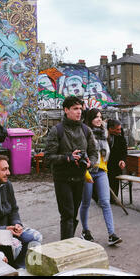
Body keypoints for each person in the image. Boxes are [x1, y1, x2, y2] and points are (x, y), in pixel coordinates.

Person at [45, 96, 98, 240]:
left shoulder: (86, 130)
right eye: (75, 109)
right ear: (66, 110)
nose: (79, 112)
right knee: (67, 214)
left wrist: (89, 163)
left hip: (79, 178)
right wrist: (67, 157)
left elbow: (94, 153)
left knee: (73, 214)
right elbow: (48, 157)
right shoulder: (57, 130)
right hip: (62, 178)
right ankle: (66, 246)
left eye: (80, 109)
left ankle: (69, 243)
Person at [0, 153, 43, 268]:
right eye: (4, 169)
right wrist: (4, 229)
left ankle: (24, 269)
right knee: (16, 245)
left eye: (8, 169)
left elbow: (14, 209)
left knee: (35, 237)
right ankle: (12, 269)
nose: (8, 173)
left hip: (10, 228)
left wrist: (17, 224)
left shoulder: (7, 185)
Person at [79, 109, 122, 245]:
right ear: (89, 118)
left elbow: (105, 155)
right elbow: (82, 155)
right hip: (88, 172)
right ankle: (85, 231)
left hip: (102, 171)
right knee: (85, 202)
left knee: (105, 202)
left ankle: (111, 234)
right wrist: (85, 173)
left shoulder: (104, 134)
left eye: (100, 117)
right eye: (96, 117)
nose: (99, 119)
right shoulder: (84, 133)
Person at [106, 119, 127, 199]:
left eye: (120, 129)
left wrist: (122, 160)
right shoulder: (103, 136)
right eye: (117, 129)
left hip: (116, 165)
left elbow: (124, 151)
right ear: (110, 129)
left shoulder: (121, 136)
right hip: (105, 164)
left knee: (114, 183)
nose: (119, 131)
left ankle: (113, 198)